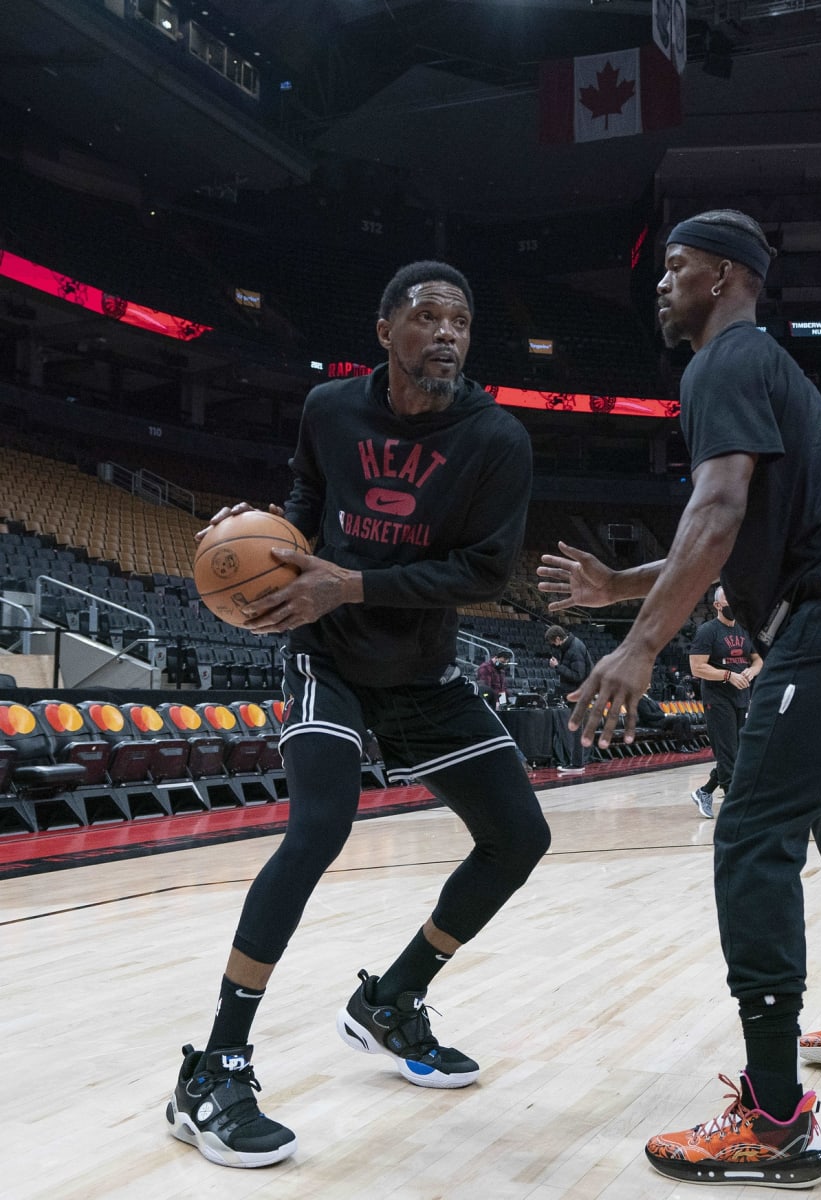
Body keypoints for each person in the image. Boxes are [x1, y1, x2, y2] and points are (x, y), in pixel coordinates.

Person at [537, 209, 821, 1189]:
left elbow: (717, 512)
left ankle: (772, 1120)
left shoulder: (720, 364)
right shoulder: (760, 365)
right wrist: (618, 586)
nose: (660, 285)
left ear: (722, 277)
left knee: (751, 832)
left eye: (674, 268)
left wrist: (639, 649)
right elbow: (710, 530)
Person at [165, 261, 551, 1169]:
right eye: (426, 317)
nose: (447, 333)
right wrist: (252, 548)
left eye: (460, 319)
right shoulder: (330, 411)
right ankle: (213, 1067)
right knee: (319, 828)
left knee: (519, 836)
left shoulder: (496, 440)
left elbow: (487, 574)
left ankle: (391, 999)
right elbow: (304, 502)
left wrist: (358, 582)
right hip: (326, 653)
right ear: (386, 331)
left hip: (418, 667)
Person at [688, 586, 763, 818]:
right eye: (728, 601)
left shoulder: (744, 630)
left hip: (742, 698)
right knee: (728, 754)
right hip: (717, 699)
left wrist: (751, 672)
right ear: (717, 606)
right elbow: (697, 667)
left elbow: (758, 658)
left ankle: (705, 791)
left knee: (741, 753)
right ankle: (736, 809)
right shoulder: (707, 631)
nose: (733, 605)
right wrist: (729, 675)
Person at [545, 623, 593, 772]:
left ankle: (577, 764)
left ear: (558, 638)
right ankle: (577, 762)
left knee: (577, 728)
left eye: (553, 642)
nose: (553, 646)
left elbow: (578, 675)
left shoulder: (574, 649)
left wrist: (557, 667)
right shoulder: (572, 646)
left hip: (580, 692)